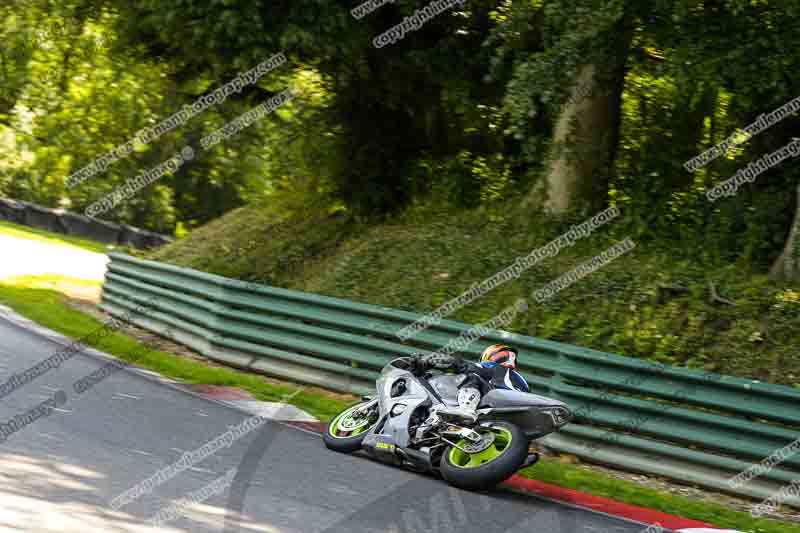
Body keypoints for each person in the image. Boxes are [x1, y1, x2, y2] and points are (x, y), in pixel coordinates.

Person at [412, 344, 529, 422]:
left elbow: (466, 366)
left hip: (500, 399)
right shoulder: (521, 381)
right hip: (516, 414)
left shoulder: (495, 368)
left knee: (472, 376)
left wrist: (431, 361)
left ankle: (467, 409)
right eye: (503, 356)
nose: (508, 360)